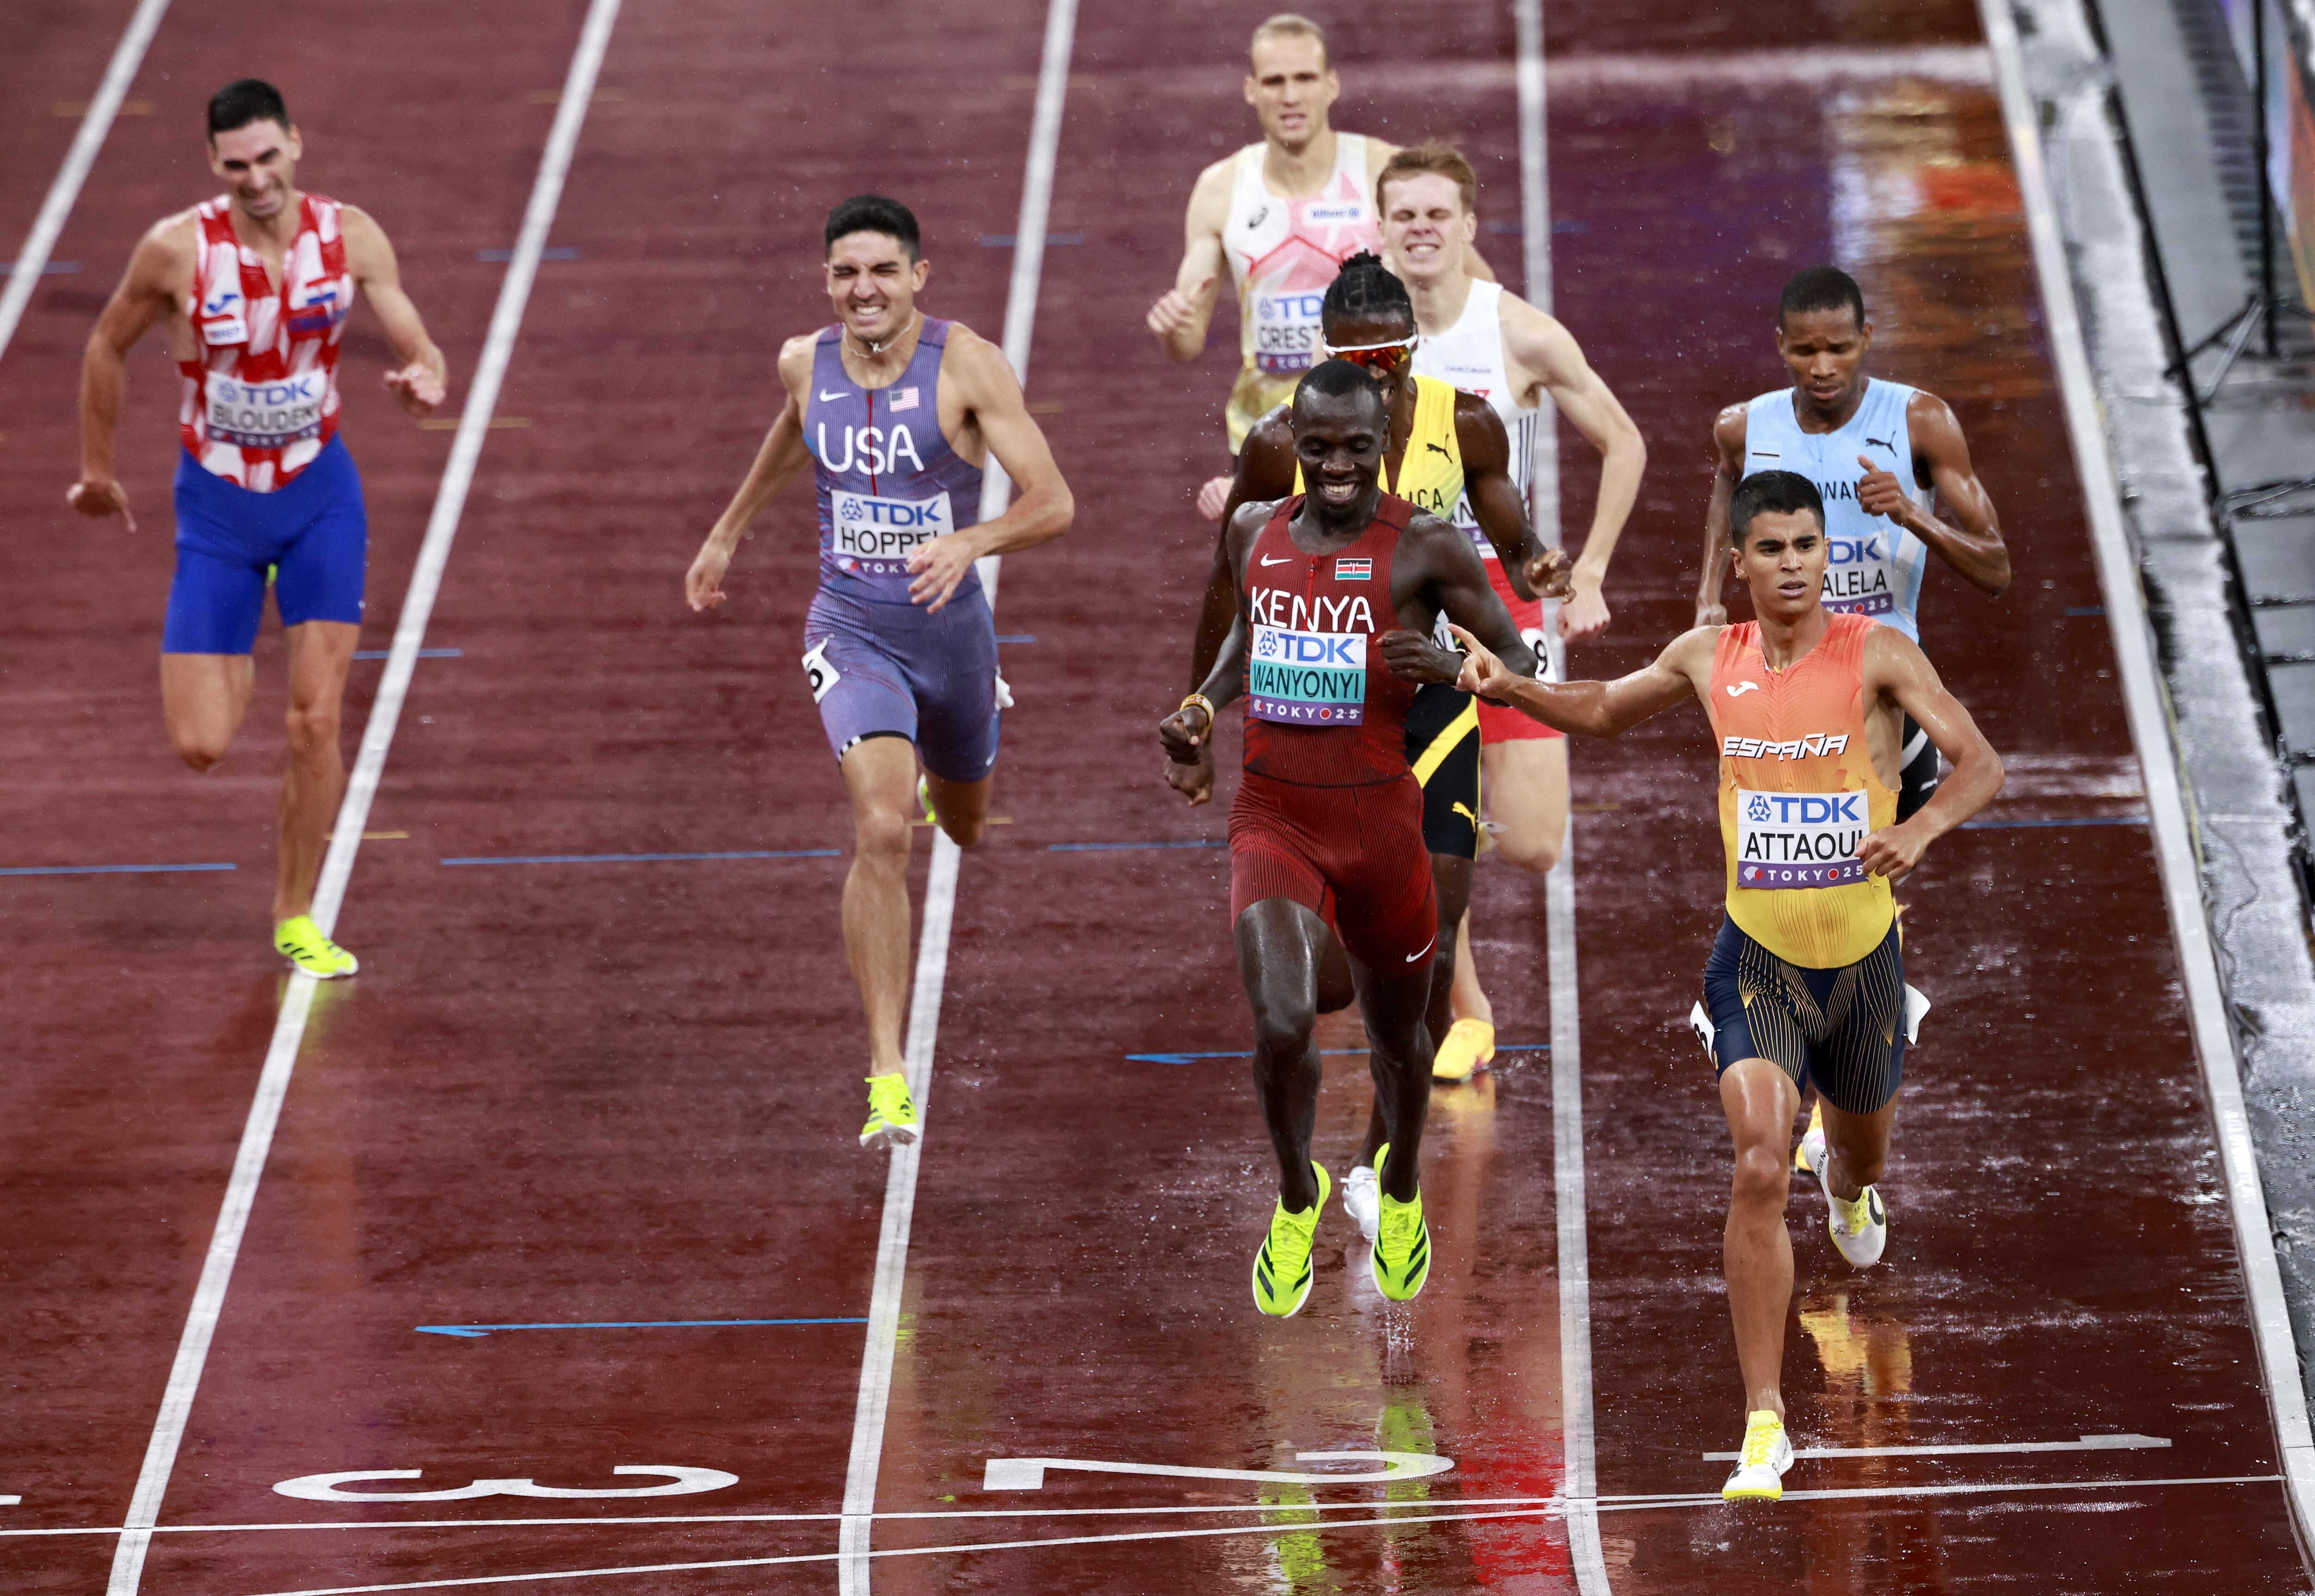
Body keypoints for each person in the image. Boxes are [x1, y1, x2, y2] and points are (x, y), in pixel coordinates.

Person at [1453, 470, 2002, 1500]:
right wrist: (1510, 687)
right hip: (1756, 960)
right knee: (1757, 1162)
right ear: (1738, 561)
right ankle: (1765, 1419)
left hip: (1865, 967)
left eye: (1810, 544)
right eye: (1775, 547)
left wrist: (1920, 829)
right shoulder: (1710, 657)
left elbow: (1981, 764)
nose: (1795, 562)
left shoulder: (1878, 654)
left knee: (1851, 1155)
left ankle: (1846, 1181)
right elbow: (1607, 708)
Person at [1166, 253, 1565, 1242]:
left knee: (1426, 969)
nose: (1378, 368)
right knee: (1322, 988)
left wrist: (1524, 570)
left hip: (1424, 727)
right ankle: (1316, 1168)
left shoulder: (1461, 425)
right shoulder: (1272, 458)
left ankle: (1386, 1159)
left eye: (1390, 353)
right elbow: (1233, 603)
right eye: (1357, 356)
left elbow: (1508, 560)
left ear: (1409, 351)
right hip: (1302, 763)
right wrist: (1197, 711)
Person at [687, 195, 1071, 1151]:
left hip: (953, 637)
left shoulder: (968, 366)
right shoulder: (801, 362)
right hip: (850, 626)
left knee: (968, 826)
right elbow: (791, 428)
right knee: (879, 826)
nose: (864, 290)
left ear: (917, 279)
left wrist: (972, 540)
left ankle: (953, 766)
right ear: (827, 281)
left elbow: (1054, 500)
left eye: (882, 273)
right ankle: (888, 1071)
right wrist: (727, 532)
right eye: (846, 274)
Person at [69, 78, 449, 977]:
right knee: (201, 745)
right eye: (236, 165)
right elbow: (103, 345)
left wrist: (426, 376)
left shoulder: (351, 236)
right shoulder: (175, 250)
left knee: (314, 724)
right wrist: (95, 471)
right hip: (219, 509)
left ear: (296, 146)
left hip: (320, 497)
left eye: (268, 157)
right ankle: (243, 609)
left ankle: (295, 911)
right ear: (214, 165)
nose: (256, 178)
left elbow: (413, 337)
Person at [1695, 264, 2008, 1165]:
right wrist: (1706, 602)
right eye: (1806, 349)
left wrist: (1909, 512)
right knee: (1789, 863)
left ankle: (1846, 1082)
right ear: (1781, 348)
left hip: (1878, 686)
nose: (1823, 364)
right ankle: (1804, 1037)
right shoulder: (1744, 426)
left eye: (1840, 347)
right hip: (1783, 672)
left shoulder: (1917, 422)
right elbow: (1725, 488)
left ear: (1868, 341)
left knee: (1861, 868)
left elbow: (1994, 569)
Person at [1379, 140, 1648, 1081]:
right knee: (1422, 829)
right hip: (1400, 605)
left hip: (1497, 599)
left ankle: (1434, 852)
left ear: (1466, 228)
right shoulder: (1362, 338)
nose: (1419, 229)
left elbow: (1624, 442)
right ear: (1381, 230)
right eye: (1403, 214)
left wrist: (1594, 572)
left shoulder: (1518, 334)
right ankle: (1468, 1007)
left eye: (1435, 214)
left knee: (1532, 843)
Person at [1144, 13, 1489, 522]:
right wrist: (1171, 327)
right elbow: (1187, 342)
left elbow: (1477, 290)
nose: (1290, 96)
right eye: (1274, 81)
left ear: (1331, 85)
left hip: (1376, 437)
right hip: (1271, 438)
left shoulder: (1382, 172)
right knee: (1269, 596)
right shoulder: (1220, 191)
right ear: (1250, 90)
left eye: (1304, 78)